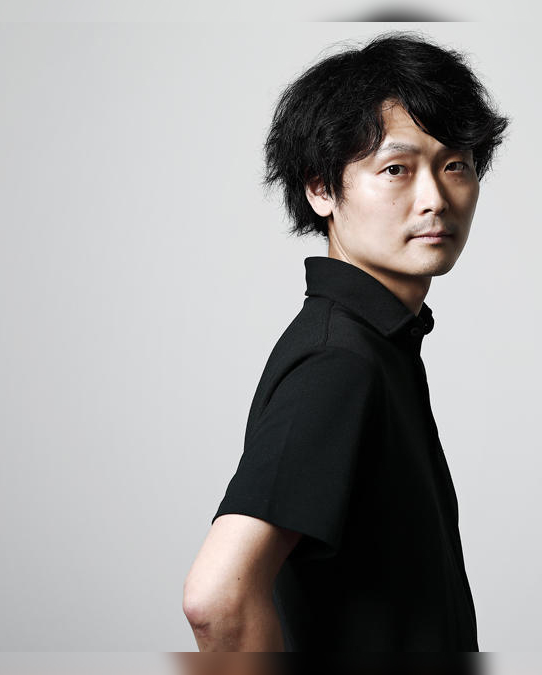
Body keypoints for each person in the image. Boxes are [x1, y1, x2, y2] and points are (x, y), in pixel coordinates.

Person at [181, 30, 509, 652]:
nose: (435, 199)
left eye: (455, 165)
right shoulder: (340, 361)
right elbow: (216, 597)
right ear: (321, 189)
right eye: (396, 170)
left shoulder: (376, 344)